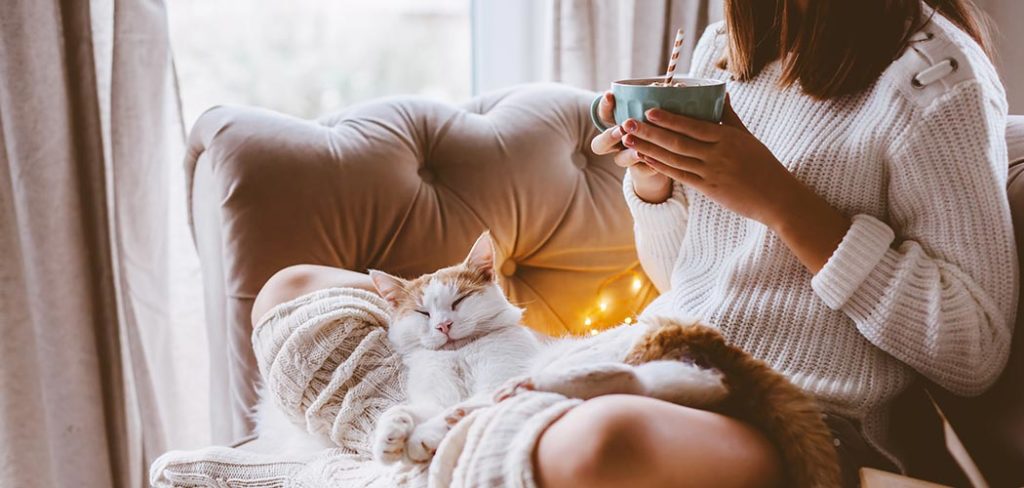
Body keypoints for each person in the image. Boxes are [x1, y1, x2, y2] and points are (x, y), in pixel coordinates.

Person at [252, 0, 1014, 486]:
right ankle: (434, 448)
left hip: (802, 417)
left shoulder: (932, 78)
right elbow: (688, 273)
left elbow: (973, 351)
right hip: (654, 358)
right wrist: (656, 183)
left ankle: (413, 454)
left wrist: (781, 201)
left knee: (603, 445)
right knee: (293, 294)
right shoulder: (732, 45)